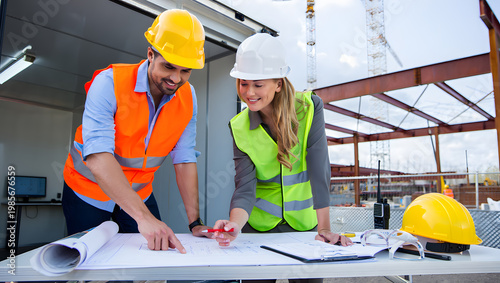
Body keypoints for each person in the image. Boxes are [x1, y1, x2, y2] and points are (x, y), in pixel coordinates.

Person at [62, 9, 211, 252]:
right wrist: (144, 218)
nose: (176, 78)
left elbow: (184, 159)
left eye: (185, 71)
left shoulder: (188, 97)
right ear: (150, 54)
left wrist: (195, 222)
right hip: (87, 190)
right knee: (87, 261)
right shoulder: (109, 83)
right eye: (169, 67)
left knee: (150, 259)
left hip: (140, 192)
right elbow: (98, 156)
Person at [212, 33, 352, 280]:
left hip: (306, 225)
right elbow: (245, 186)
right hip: (260, 227)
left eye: (258, 84)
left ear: (278, 83)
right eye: (243, 83)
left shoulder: (310, 108)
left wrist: (325, 228)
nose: (249, 93)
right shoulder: (239, 126)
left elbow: (319, 169)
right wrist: (235, 225)